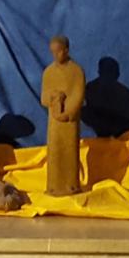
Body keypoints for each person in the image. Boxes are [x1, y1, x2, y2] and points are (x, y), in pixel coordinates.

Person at [41, 35, 86, 195]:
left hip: (69, 121)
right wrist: (53, 97)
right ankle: (53, 184)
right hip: (54, 121)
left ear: (66, 50)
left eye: (58, 52)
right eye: (52, 52)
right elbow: (43, 97)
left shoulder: (76, 71)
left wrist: (68, 113)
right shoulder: (48, 72)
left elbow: (78, 94)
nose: (55, 55)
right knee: (54, 151)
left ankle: (71, 184)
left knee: (69, 151)